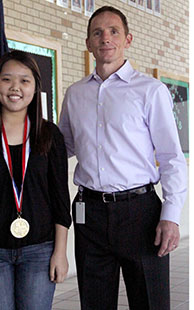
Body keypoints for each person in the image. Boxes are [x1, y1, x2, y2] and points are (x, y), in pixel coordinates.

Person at [59, 6, 187, 310]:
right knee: (95, 303)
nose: (106, 38)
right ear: (88, 43)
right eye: (97, 32)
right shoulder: (75, 94)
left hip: (140, 213)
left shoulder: (150, 91)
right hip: (89, 212)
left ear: (127, 39)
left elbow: (170, 156)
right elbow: (62, 147)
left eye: (113, 31)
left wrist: (170, 215)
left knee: (150, 303)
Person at [0, 50, 71, 310]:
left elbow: (60, 200)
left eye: (24, 80)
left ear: (35, 88)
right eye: (7, 79)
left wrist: (60, 252)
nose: (15, 87)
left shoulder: (49, 135)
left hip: (40, 250)